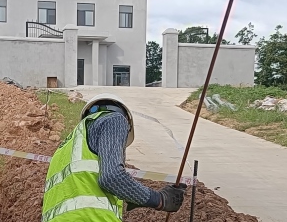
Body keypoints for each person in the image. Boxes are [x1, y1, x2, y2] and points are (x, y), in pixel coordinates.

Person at [41, 93, 187, 221]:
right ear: (127, 121)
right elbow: (111, 177)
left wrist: (134, 196)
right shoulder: (114, 119)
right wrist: (160, 200)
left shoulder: (64, 149)